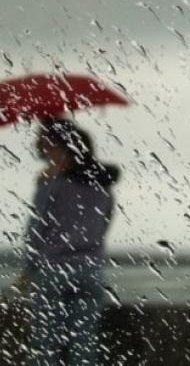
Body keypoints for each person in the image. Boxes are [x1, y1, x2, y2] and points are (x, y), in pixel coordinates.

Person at [20, 117, 120, 365]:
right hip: (90, 269)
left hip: (52, 270)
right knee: (84, 345)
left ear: (62, 149)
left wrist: (28, 268)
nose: (45, 153)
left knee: (46, 344)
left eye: (49, 147)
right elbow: (103, 224)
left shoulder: (52, 185)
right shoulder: (103, 188)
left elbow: (36, 230)